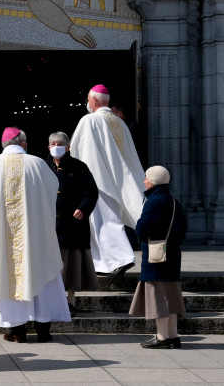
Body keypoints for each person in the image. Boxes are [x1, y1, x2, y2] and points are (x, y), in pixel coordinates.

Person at [0, 127, 71, 344]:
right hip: (35, 235)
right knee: (41, 275)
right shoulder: (37, 164)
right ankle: (43, 330)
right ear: (24, 143)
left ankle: (17, 332)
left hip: (4, 237)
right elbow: (52, 190)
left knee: (8, 277)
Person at [70, 84, 145, 284]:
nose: (87, 103)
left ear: (93, 101)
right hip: (118, 179)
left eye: (88, 99)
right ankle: (104, 264)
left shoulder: (90, 120)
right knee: (106, 221)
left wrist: (77, 177)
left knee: (103, 222)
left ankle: (120, 258)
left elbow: (79, 150)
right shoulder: (119, 122)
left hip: (98, 180)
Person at [129, 166, 186, 349]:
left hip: (156, 257)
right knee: (171, 297)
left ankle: (162, 337)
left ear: (153, 181)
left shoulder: (154, 201)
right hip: (172, 254)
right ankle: (173, 336)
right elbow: (183, 228)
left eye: (146, 178)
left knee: (159, 297)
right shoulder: (174, 202)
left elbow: (141, 228)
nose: (144, 181)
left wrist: (140, 230)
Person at [45, 131, 99, 316]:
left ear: (68, 147)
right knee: (51, 266)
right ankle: (51, 301)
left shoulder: (79, 167)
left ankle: (70, 301)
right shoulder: (44, 166)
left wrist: (83, 208)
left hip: (72, 226)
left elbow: (91, 191)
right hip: (49, 225)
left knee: (71, 266)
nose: (55, 147)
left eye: (59, 144)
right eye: (52, 144)